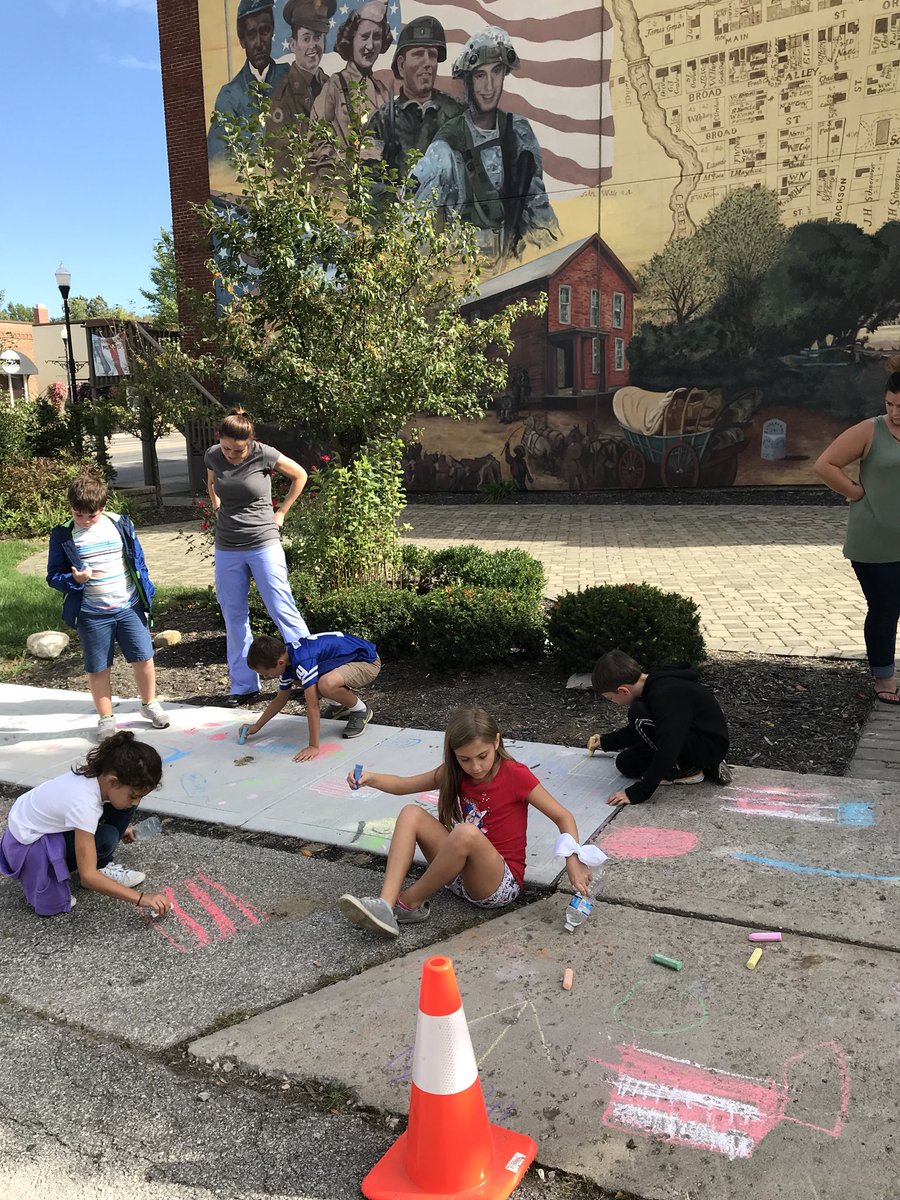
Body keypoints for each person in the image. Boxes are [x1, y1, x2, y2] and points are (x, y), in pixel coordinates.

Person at [337, 706, 596, 939]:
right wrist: (370, 778)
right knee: (410, 813)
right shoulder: (455, 773)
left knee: (465, 833)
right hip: (457, 874)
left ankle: (406, 904)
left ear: (497, 741)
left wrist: (573, 860)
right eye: (465, 759)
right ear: (454, 755)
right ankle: (385, 904)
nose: (475, 766)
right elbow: (405, 785)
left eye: (482, 756)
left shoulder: (516, 775)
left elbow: (563, 816)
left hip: (498, 885)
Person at [412, 26, 559, 261]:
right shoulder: (447, 146)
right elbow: (414, 227)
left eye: (497, 72)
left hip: (511, 273)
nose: (489, 87)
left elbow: (540, 217)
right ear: (468, 80)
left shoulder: (519, 133)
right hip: (461, 275)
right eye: (480, 75)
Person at [47, 474, 169, 739]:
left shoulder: (120, 524)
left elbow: (138, 561)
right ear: (71, 508)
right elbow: (53, 576)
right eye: (78, 515)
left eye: (91, 516)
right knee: (98, 667)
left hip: (129, 606)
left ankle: (149, 704)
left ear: (102, 508)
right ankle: (106, 718)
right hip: (92, 614)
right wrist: (73, 579)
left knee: (144, 658)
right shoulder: (63, 535)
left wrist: (148, 592)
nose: (85, 521)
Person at [0, 732, 172, 917]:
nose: (137, 802)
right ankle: (89, 867)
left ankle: (101, 863)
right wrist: (141, 898)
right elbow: (88, 877)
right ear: (113, 781)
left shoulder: (97, 777)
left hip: (38, 829)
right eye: (134, 795)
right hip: (27, 850)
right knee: (105, 839)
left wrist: (122, 823)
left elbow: (75, 812)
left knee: (124, 807)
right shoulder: (84, 803)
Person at [205, 408, 311, 706]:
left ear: (249, 443)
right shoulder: (214, 454)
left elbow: (300, 475)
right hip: (227, 546)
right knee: (234, 616)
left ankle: (308, 674)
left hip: (263, 543)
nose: (231, 454)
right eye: (227, 448)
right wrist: (216, 508)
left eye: (238, 450)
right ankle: (243, 686)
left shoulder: (265, 454)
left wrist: (281, 513)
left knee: (282, 608)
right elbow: (211, 482)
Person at [814, 366, 900, 704]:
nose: (894, 413)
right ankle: (884, 678)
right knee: (885, 608)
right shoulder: (870, 430)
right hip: (873, 541)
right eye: (889, 404)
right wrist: (854, 492)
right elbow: (825, 465)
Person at [591, 650, 731, 807]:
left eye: (611, 698)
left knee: (637, 712)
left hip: (708, 746)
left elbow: (668, 745)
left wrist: (639, 792)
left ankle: (689, 769)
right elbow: (642, 727)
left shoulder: (665, 695)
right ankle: (685, 764)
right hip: (685, 736)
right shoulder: (651, 685)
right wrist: (606, 742)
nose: (613, 702)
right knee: (626, 763)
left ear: (623, 690)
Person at [244, 630, 381, 757]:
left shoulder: (303, 660)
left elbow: (313, 706)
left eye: (267, 674)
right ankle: (339, 705)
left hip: (367, 662)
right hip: (346, 661)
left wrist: (313, 746)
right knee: (304, 680)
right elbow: (280, 699)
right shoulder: (286, 658)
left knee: (326, 684)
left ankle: (361, 710)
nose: (267, 677)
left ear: (279, 663)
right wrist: (256, 726)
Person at [369, 16, 464, 180]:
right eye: (419, 54)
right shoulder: (382, 121)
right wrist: (395, 200)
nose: (427, 63)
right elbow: (368, 178)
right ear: (401, 65)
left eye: (432, 55)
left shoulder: (456, 114)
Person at [309, 0, 393, 166]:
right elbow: (314, 146)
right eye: (364, 37)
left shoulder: (382, 91)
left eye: (376, 37)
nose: (370, 45)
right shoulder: (335, 86)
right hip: (342, 185)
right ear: (351, 39)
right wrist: (352, 157)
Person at [208, 0, 289, 165]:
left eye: (264, 31)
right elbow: (218, 160)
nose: (259, 43)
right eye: (252, 34)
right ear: (242, 40)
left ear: (272, 30)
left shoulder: (290, 78)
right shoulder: (229, 96)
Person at [266, 0, 336, 168]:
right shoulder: (282, 96)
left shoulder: (332, 87)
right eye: (306, 38)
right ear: (293, 44)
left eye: (317, 37)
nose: (313, 45)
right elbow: (281, 162)